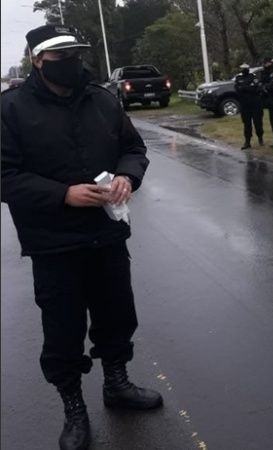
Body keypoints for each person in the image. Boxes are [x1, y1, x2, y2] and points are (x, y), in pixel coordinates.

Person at [1, 25, 162, 450]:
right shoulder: (11, 109)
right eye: (60, 55)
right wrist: (62, 195)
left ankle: (117, 384)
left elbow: (134, 148)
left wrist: (129, 175)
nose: (72, 61)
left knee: (116, 315)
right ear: (37, 60)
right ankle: (74, 409)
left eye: (75, 52)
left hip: (107, 234)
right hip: (54, 244)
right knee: (63, 331)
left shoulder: (103, 100)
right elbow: (5, 176)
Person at [233, 63, 264, 149]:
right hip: (245, 105)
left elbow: (256, 89)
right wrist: (248, 87)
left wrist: (244, 87)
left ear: (248, 69)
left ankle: (260, 138)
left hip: (255, 104)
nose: (243, 70)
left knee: (258, 123)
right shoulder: (238, 78)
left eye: (245, 68)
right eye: (242, 68)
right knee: (246, 124)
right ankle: (247, 141)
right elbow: (237, 89)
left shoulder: (253, 77)